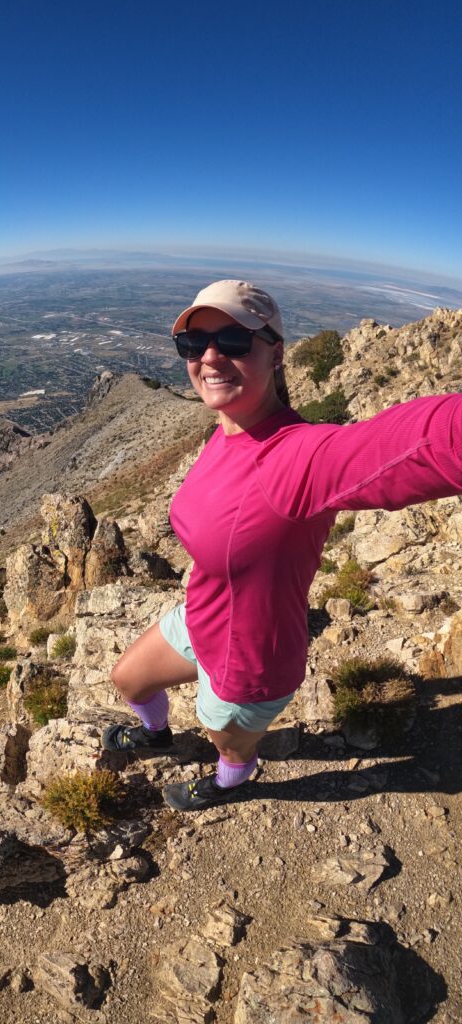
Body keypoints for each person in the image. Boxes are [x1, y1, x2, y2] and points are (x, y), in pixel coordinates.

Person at [101, 279, 462, 811]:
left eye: (233, 340)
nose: (209, 356)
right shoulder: (228, 430)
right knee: (127, 679)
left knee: (224, 737)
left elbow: (419, 441)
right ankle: (155, 734)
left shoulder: (297, 458)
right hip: (202, 616)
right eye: (193, 345)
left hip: (251, 658)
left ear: (276, 353)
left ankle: (232, 778)